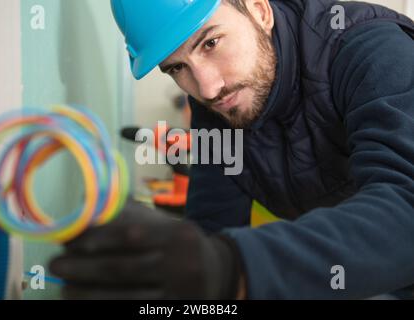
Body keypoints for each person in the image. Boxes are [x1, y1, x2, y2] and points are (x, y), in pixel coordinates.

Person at [50, 0, 414, 299]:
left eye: (210, 43)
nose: (207, 88)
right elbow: (211, 229)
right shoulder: (218, 106)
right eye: (177, 67)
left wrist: (229, 268)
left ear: (258, 9)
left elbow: (406, 209)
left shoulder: (372, 51)